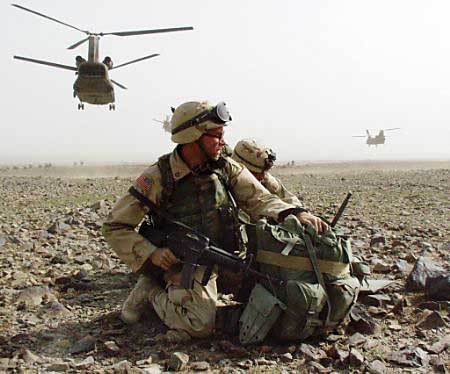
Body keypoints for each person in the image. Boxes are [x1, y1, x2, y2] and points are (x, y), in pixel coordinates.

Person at [102, 100, 327, 342]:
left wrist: (293, 213)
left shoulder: (225, 167)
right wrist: (151, 253)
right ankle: (152, 293)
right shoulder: (158, 177)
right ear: (192, 137)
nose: (222, 141)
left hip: (226, 254)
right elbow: (114, 227)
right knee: (199, 325)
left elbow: (258, 198)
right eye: (216, 135)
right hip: (187, 263)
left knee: (279, 290)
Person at [232, 139, 303, 207]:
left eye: (264, 171)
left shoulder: (266, 179)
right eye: (256, 172)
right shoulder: (226, 182)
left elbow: (287, 198)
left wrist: (300, 212)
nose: (262, 176)